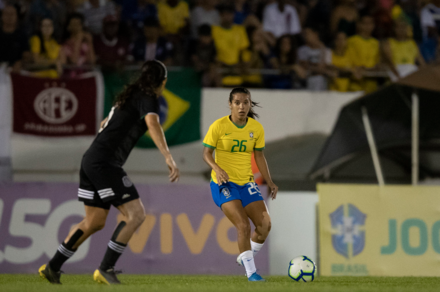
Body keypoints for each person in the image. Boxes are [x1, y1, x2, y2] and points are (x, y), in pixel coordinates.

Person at [39, 60, 180, 285]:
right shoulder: (148, 97)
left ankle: (53, 266)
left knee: (94, 221)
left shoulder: (127, 96)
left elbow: (105, 123)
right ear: (163, 82)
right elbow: (153, 124)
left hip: (91, 160)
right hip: (104, 163)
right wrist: (168, 156)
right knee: (136, 214)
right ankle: (106, 268)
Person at [202, 87, 278, 282]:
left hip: (247, 183)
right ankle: (251, 273)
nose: (242, 106)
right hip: (224, 184)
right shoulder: (219, 126)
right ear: (230, 104)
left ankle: (245, 257)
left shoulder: (256, 128)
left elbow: (259, 156)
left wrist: (269, 181)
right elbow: (206, 153)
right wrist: (217, 169)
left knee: (265, 225)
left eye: (246, 102)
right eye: (237, 103)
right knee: (242, 225)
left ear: (250, 104)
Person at [212, 4, 250, 86]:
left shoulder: (240, 30)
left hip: (237, 72)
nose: (226, 17)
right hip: (220, 72)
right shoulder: (214, 30)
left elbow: (244, 51)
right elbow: (211, 51)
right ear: (220, 15)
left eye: (229, 14)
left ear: (233, 15)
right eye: (224, 14)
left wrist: (244, 64)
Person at [346, 14, 380, 93]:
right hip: (355, 84)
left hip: (371, 84)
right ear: (359, 24)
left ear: (373, 25)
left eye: (370, 23)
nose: (367, 26)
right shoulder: (352, 41)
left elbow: (378, 62)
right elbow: (348, 61)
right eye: (365, 23)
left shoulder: (376, 43)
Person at [60, 12, 96, 77]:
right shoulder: (65, 46)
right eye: (74, 24)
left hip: (87, 77)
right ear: (68, 27)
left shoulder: (85, 44)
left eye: (79, 24)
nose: (77, 27)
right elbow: (74, 62)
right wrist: (78, 40)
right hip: (72, 78)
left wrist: (90, 42)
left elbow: (92, 62)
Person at [297, 26, 331, 91]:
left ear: (315, 34)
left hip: (321, 84)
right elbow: (304, 66)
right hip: (307, 83)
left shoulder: (325, 50)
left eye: (307, 33)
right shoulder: (302, 50)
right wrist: (319, 69)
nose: (305, 36)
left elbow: (324, 67)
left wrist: (312, 66)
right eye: (304, 34)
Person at [0, 4, 30, 72]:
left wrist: (20, 62)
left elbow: (27, 55)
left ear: (16, 16)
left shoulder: (22, 35)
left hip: (16, 70)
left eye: (12, 14)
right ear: (2, 16)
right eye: (7, 14)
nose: (9, 17)